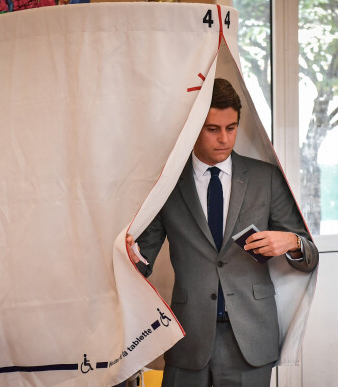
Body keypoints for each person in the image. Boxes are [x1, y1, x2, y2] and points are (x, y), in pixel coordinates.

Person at [126, 78, 318, 387]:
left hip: (251, 338)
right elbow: (141, 261)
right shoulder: (167, 184)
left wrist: (293, 242)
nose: (225, 139)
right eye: (213, 129)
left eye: (231, 128)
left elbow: (310, 257)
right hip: (188, 338)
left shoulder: (265, 178)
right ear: (193, 129)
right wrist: (126, 254)